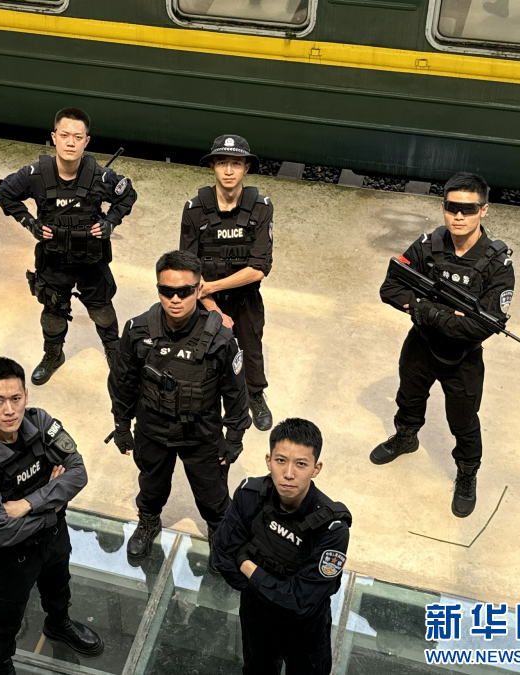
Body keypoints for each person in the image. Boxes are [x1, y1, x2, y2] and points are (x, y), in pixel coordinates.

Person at [373, 172, 515, 518]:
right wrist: (435, 311)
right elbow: (390, 288)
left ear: (484, 210)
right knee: (408, 399)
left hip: (463, 360)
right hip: (420, 347)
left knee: (463, 422)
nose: (459, 216)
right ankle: (406, 437)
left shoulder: (497, 264)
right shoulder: (428, 246)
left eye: (469, 209)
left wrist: (427, 311)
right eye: (452, 207)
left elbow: (482, 326)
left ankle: (467, 474)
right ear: (443, 207)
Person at [0, 357, 102, 675]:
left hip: (52, 536)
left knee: (59, 585)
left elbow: (78, 473)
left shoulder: (40, 421)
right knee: (5, 614)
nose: (9, 410)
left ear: (26, 396)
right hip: (12, 554)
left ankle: (58, 623)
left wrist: (28, 503)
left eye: (16, 398)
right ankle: (1, 662)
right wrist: (52, 505)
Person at [108, 250, 250, 563]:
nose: (175, 299)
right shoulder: (138, 331)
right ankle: (148, 521)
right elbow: (122, 382)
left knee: (213, 493)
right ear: (158, 289)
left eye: (184, 291)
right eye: (166, 290)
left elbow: (235, 392)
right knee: (151, 484)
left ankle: (219, 532)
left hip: (202, 431)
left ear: (198, 290)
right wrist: (121, 424)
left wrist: (234, 437)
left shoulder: (221, 339)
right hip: (152, 427)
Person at [0, 107, 138, 384]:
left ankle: (114, 351)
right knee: (52, 312)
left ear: (87, 141)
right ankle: (53, 354)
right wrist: (30, 223)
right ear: (54, 137)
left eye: (77, 137)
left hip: (92, 260)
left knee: (102, 310)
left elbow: (127, 195)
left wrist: (110, 223)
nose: (70, 142)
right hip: (54, 260)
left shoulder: (100, 176)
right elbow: (4, 194)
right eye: (64, 135)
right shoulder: (35, 174)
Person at [214, 418, 351, 675]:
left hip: (305, 630)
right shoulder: (249, 495)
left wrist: (247, 565)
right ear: (269, 461)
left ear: (316, 468)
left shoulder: (332, 529)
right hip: (256, 616)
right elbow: (222, 556)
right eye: (281, 460)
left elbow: (300, 604)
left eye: (301, 464)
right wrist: (279, 592)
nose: (289, 474)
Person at [180, 135, 274, 431]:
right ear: (213, 167)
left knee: (250, 349)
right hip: (205, 301)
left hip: (245, 299)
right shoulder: (194, 209)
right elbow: (188, 267)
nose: (229, 171)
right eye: (222, 163)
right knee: (202, 353)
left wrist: (213, 287)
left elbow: (258, 269)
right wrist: (213, 308)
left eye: (236, 163)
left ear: (246, 167)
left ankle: (254, 395)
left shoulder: (261, 207)